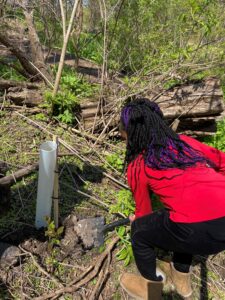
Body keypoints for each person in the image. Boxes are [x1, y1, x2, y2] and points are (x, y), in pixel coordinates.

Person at [118, 98, 225, 300]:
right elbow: (222, 162)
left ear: (130, 135)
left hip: (196, 229)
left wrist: (137, 220)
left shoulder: (138, 165)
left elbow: (144, 212)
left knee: (140, 231)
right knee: (180, 216)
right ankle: (182, 281)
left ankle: (151, 289)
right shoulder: (184, 143)